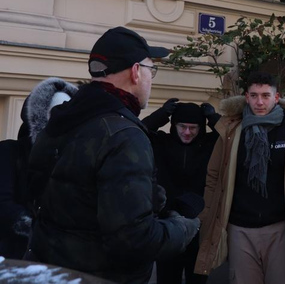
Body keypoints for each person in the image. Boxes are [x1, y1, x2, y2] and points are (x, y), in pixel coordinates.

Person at [26, 26, 200, 284]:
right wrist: (185, 227)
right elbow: (135, 240)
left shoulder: (62, 118)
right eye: (151, 70)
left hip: (51, 271)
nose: (152, 78)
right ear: (135, 72)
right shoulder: (123, 135)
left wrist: (149, 197)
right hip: (103, 276)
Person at [195, 71, 285, 284]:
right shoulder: (231, 128)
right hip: (239, 228)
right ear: (246, 97)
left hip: (282, 227)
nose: (259, 102)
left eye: (266, 96)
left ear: (277, 97)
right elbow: (214, 175)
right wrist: (208, 213)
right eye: (254, 95)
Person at [142, 100, 221, 284]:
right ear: (174, 125)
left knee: (198, 279)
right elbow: (139, 129)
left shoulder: (210, 144)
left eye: (193, 127)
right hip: (167, 224)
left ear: (201, 128)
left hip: (200, 225)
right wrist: (162, 114)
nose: (187, 132)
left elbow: (229, 135)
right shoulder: (161, 142)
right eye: (182, 126)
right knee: (167, 278)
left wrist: (212, 117)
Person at [0, 78, 78, 259]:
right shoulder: (9, 152)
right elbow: (3, 206)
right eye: (55, 113)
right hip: (12, 260)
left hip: (57, 261)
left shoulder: (74, 158)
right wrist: (44, 233)